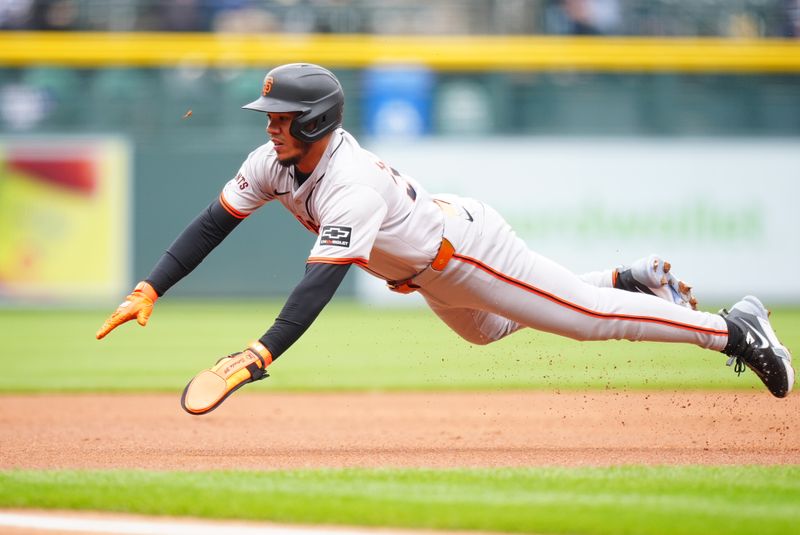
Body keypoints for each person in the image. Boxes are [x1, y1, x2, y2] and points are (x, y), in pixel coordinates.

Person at [96, 63, 794, 414]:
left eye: (281, 116)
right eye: (270, 114)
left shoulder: (350, 184)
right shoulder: (269, 163)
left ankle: (735, 331)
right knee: (490, 331)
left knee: (586, 323)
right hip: (430, 271)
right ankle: (628, 278)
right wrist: (151, 284)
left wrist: (258, 353)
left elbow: (318, 282)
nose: (269, 125)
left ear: (314, 121)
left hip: (466, 252)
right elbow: (215, 220)